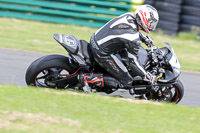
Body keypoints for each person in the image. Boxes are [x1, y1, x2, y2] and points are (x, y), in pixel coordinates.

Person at [79, 4, 159, 91]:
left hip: (96, 38)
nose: (152, 25)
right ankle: (86, 78)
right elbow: (133, 63)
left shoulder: (129, 15)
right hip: (101, 52)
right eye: (151, 22)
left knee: (124, 61)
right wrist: (147, 76)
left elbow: (131, 31)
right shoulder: (133, 39)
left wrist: (144, 39)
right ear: (144, 19)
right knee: (126, 81)